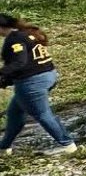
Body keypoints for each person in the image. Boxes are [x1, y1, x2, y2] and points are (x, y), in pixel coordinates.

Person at [0, 14, 77, 155]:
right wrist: (7, 79)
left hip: (32, 82)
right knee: (15, 113)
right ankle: (4, 147)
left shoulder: (15, 40)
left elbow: (19, 62)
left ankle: (67, 145)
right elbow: (29, 61)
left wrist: (2, 73)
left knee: (42, 114)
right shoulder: (25, 33)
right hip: (47, 74)